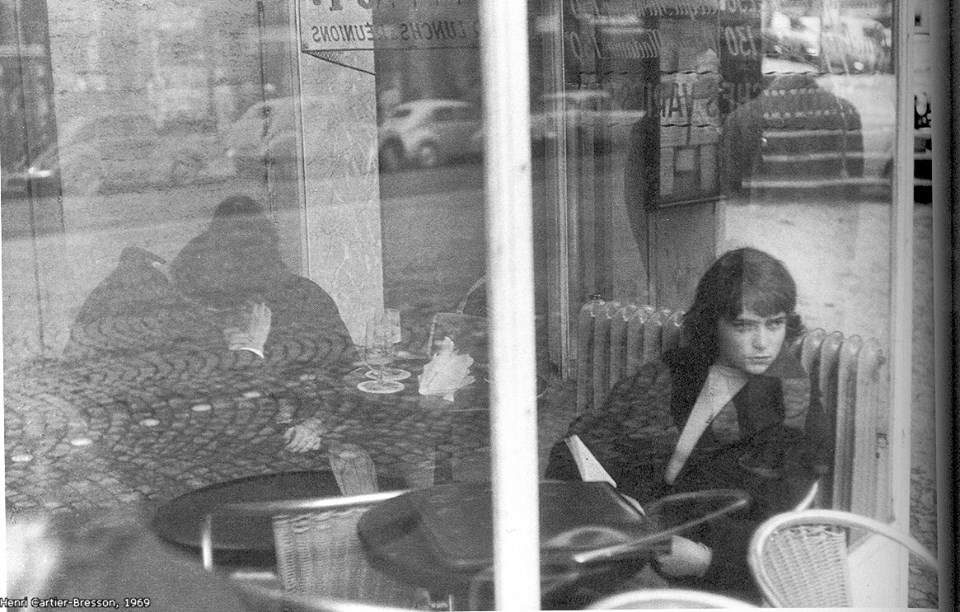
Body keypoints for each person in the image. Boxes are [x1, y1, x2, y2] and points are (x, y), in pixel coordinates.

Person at [544, 247, 831, 602]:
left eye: (774, 324)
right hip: (633, 540)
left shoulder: (795, 405)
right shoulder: (678, 368)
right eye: (744, 326)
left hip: (711, 577)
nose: (763, 343)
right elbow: (585, 442)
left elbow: (785, 530)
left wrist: (707, 560)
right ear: (713, 323)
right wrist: (609, 500)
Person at [63, 195, 356, 371]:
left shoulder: (302, 297)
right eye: (230, 253)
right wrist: (250, 350)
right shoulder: (153, 302)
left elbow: (341, 367)